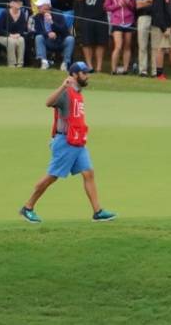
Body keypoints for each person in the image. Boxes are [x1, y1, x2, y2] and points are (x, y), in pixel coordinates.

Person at [19, 62, 117, 224]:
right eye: (84, 73)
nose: (87, 76)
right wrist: (62, 86)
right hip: (65, 141)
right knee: (52, 177)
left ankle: (97, 212)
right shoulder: (67, 92)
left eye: (87, 72)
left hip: (78, 141)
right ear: (74, 75)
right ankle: (28, 207)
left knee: (88, 173)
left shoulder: (78, 93)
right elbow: (48, 103)